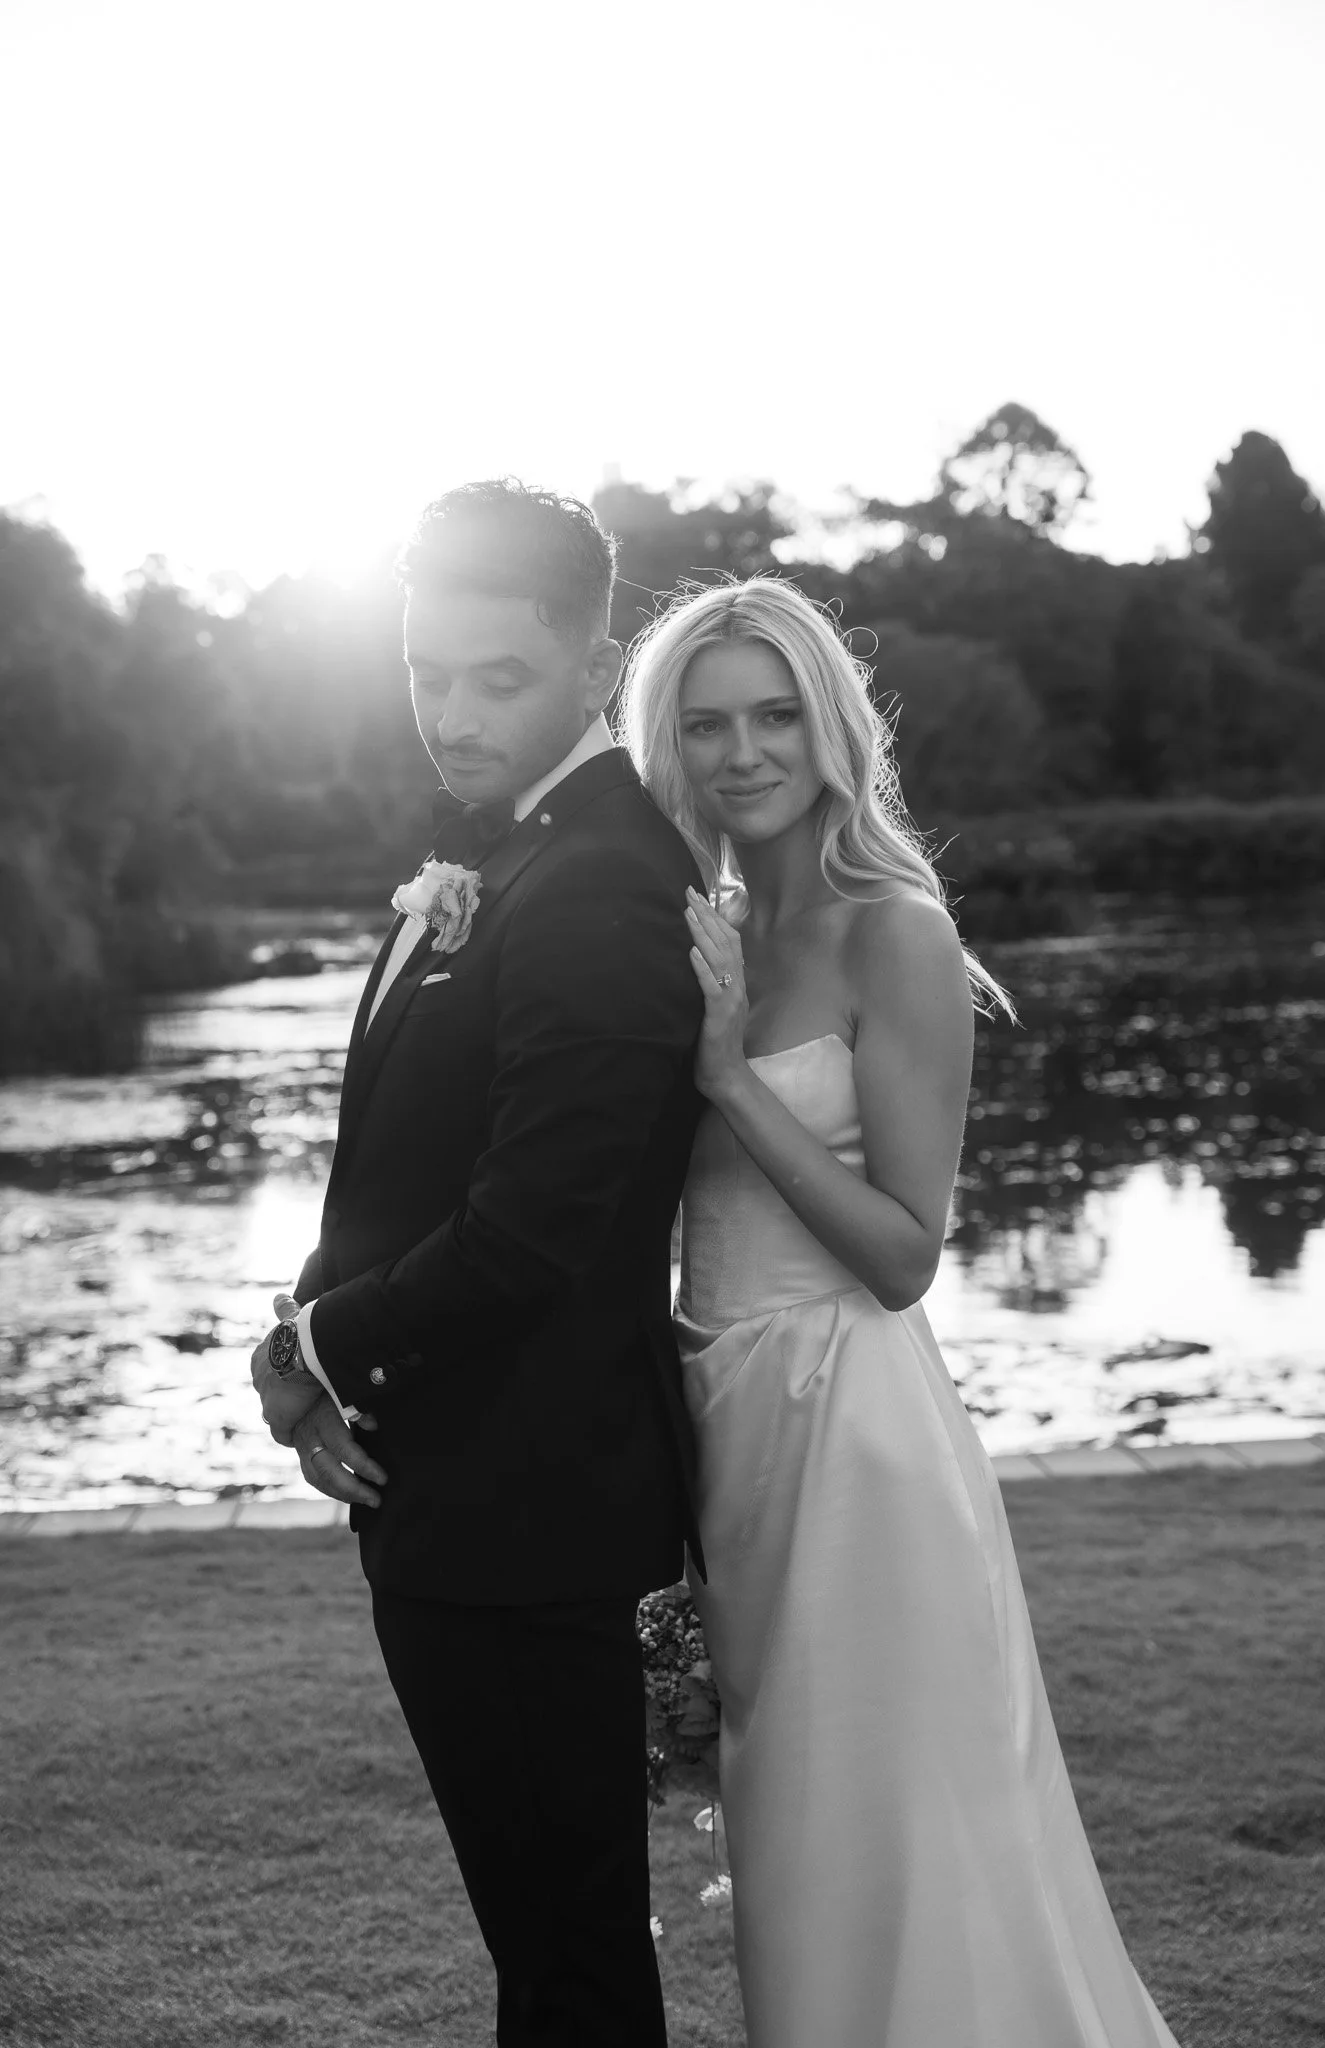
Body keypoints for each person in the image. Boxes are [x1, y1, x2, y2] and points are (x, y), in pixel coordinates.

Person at [620, 576, 1181, 2048]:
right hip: (728, 1426)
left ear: (830, 724)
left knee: (903, 1852)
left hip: (859, 1442)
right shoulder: (709, 926)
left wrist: (733, 1075)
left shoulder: (897, 931)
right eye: (706, 724)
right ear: (668, 748)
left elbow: (905, 1252)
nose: (743, 752)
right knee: (793, 1861)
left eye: (774, 714)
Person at [249, 480, 705, 2048]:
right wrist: (330, 1362)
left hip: (534, 1524)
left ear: (589, 658)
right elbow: (403, 1170)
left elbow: (530, 1232)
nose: (450, 715)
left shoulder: (600, 885)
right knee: (547, 1951)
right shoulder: (500, 854)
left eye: (496, 680)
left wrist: (315, 1353)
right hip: (462, 1496)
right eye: (425, 673)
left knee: (572, 1964)